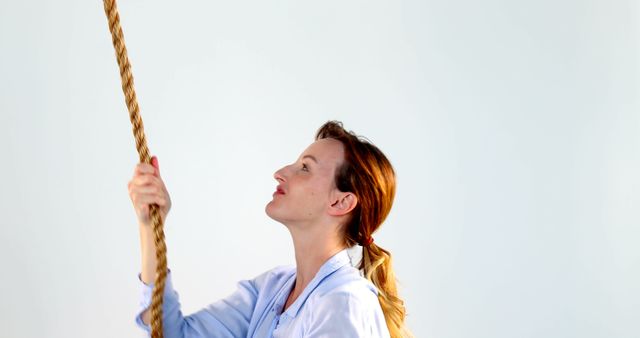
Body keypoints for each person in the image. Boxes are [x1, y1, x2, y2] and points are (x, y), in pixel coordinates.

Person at [128, 120, 412, 337]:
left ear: (341, 201)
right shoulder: (271, 289)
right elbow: (173, 334)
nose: (281, 172)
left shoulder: (344, 304)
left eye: (305, 168)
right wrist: (149, 226)